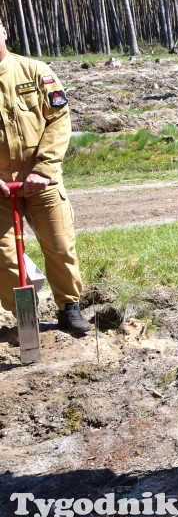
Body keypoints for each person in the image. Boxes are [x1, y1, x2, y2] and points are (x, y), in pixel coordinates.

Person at [0, 19, 89, 338]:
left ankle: (68, 308)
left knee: (60, 244)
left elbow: (58, 119)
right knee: (4, 255)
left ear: (5, 30)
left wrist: (43, 169)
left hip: (43, 182)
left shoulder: (36, 72)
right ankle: (25, 316)